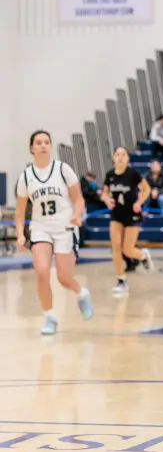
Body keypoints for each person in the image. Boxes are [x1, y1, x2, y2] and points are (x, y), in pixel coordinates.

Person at [14, 130, 94, 335]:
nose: (43, 145)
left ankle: (81, 293)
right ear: (31, 148)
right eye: (39, 142)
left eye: (46, 142)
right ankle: (49, 316)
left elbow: (78, 199)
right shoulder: (26, 176)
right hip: (40, 227)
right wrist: (20, 234)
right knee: (41, 271)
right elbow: (20, 211)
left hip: (65, 225)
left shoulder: (63, 169)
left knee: (63, 277)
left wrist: (76, 215)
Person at [101, 146, 154, 294]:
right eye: (117, 154)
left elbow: (147, 189)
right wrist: (106, 200)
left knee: (128, 249)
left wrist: (139, 202)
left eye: (123, 154)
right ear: (113, 158)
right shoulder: (110, 175)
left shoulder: (133, 174)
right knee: (116, 249)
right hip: (117, 214)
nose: (120, 157)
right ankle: (121, 280)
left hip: (132, 213)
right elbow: (104, 194)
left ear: (127, 158)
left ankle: (143, 256)